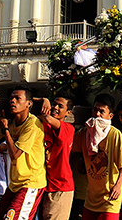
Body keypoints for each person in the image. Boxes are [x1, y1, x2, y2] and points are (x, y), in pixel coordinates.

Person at [0, 86, 46, 220]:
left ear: (29, 103)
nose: (13, 101)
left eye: (17, 98)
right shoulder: (11, 123)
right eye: (11, 98)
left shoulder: (32, 124)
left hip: (30, 182)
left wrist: (5, 130)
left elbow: (15, 154)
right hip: (14, 183)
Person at [72, 93, 122, 220]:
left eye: (102, 111)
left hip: (110, 199)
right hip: (91, 199)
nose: (97, 114)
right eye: (95, 110)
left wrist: (118, 186)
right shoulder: (84, 133)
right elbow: (69, 146)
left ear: (110, 116)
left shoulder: (115, 134)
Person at [39, 92, 76, 220]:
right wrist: (43, 98)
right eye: (54, 104)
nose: (55, 108)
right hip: (45, 185)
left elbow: (48, 118)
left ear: (68, 113)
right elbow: (26, 99)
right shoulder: (45, 126)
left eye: (60, 106)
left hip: (61, 187)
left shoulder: (68, 128)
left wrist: (45, 105)